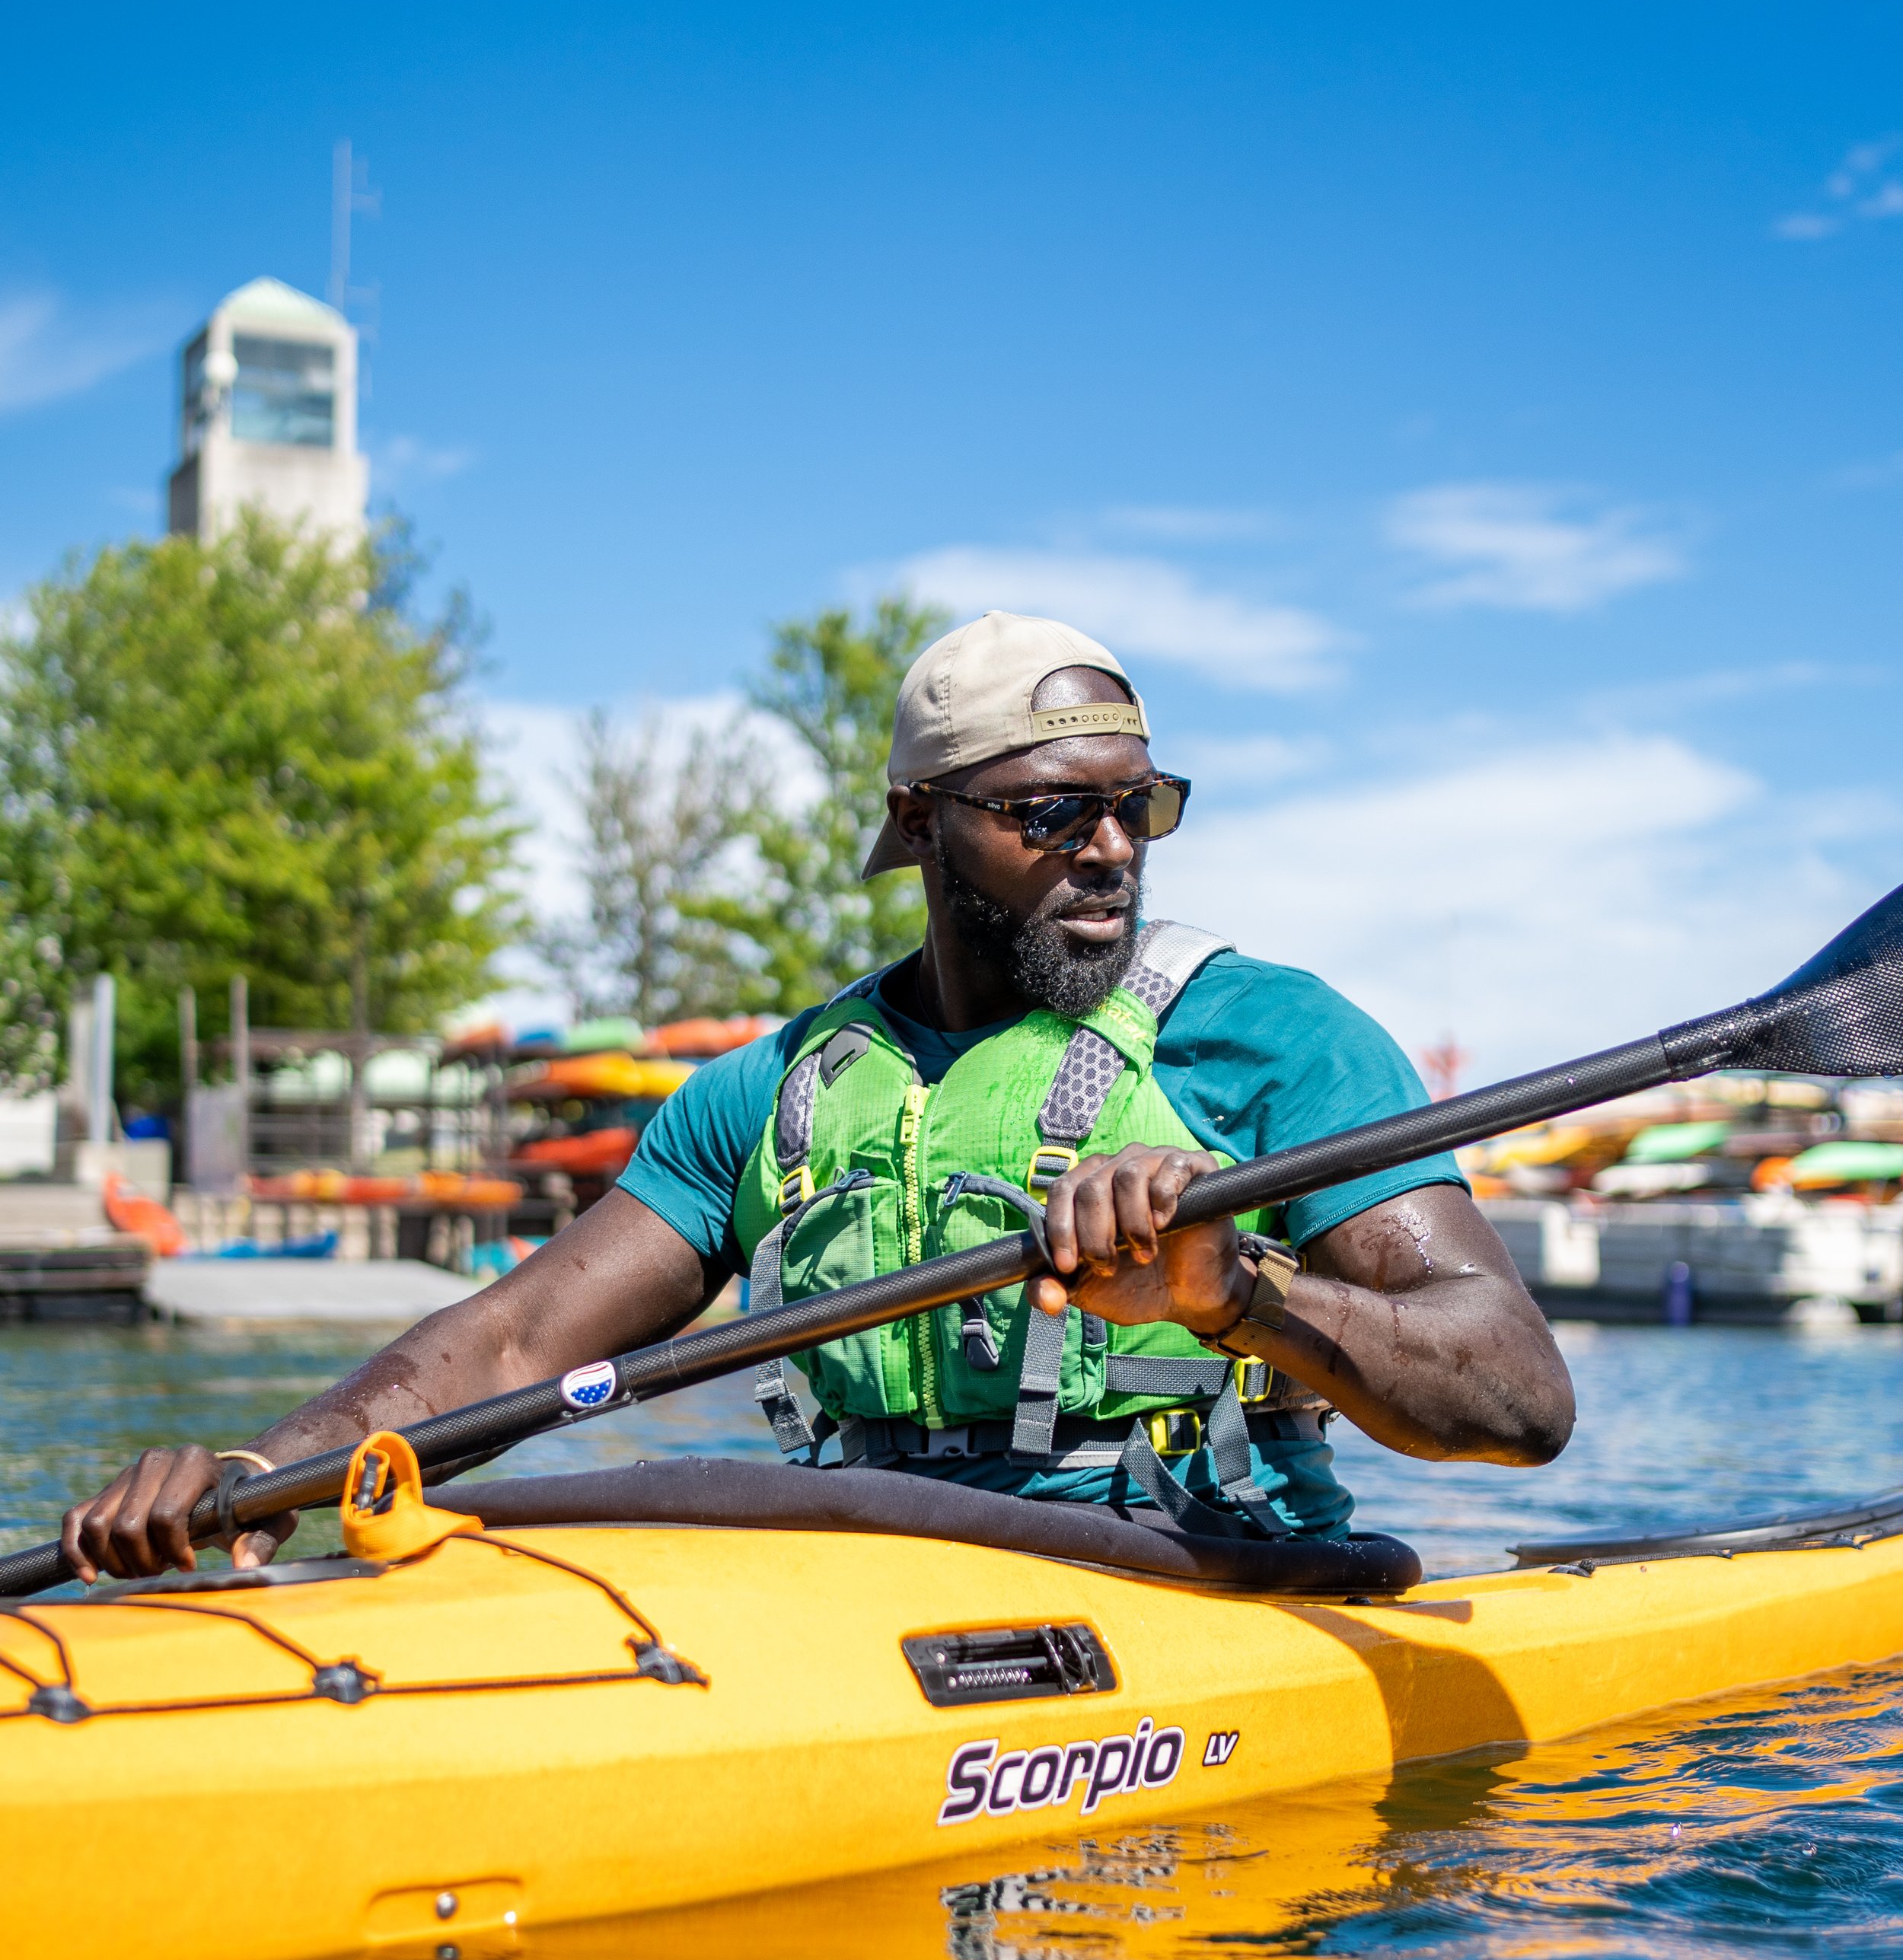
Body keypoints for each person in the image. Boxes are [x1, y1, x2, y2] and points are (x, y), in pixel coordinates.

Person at [62, 610, 1573, 1583]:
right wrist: (268, 1471)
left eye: (1137, 804)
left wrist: (1233, 1293)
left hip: (1186, 1573)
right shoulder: (772, 1091)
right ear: (922, 824)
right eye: (1051, 811)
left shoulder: (1268, 1038)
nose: (1109, 847)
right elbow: (516, 1341)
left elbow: (1513, 1398)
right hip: (850, 1576)